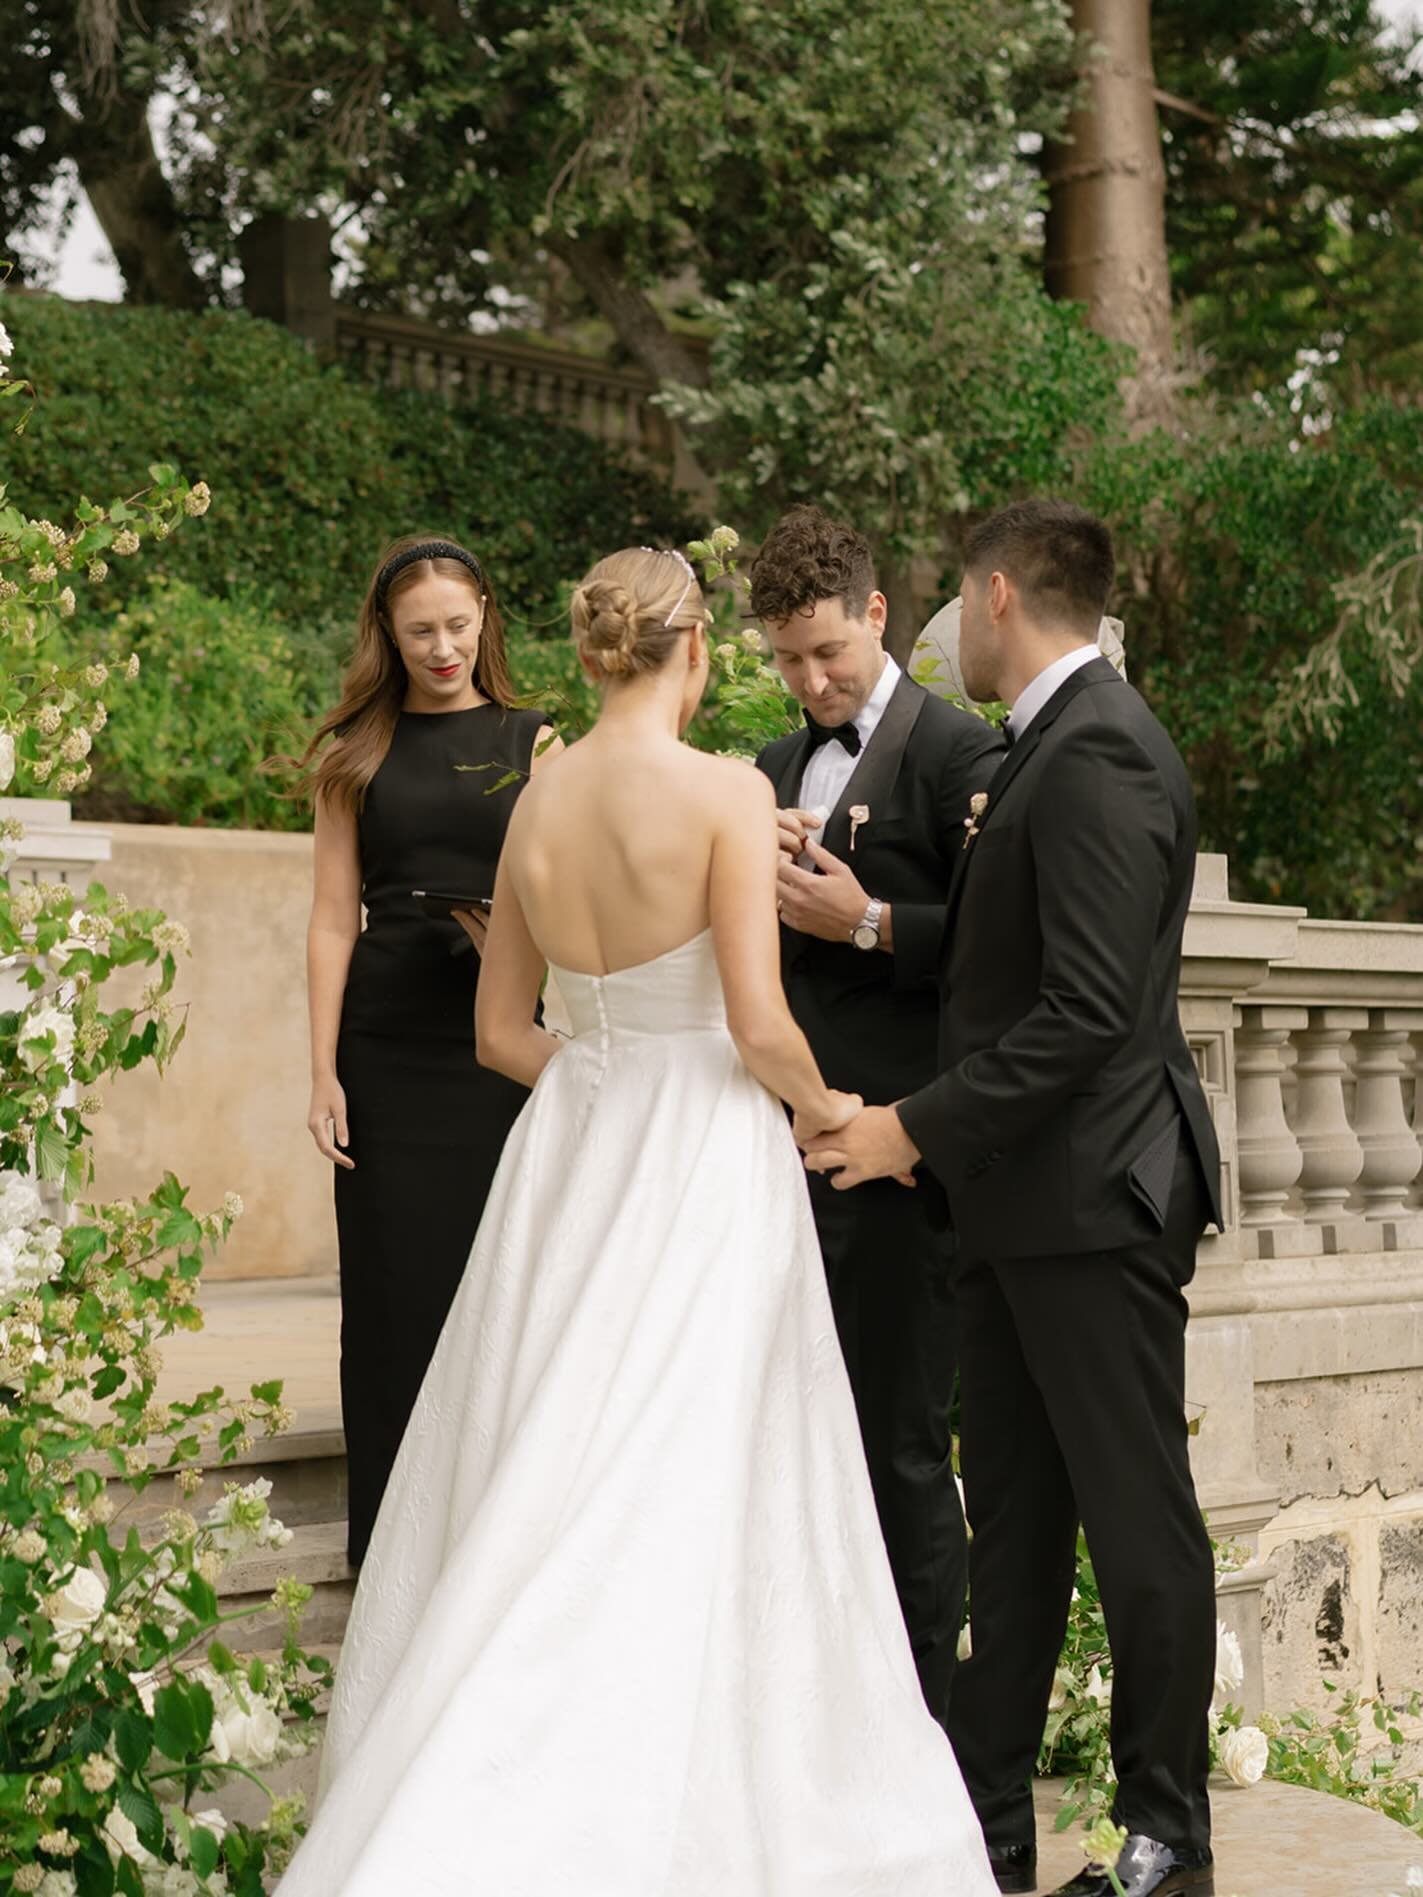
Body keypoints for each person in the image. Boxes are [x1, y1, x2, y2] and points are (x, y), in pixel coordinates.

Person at [278, 547, 997, 1897]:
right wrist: (832, 1110)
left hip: (573, 1151)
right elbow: (757, 1024)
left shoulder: (534, 804)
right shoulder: (726, 790)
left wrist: (611, 1078)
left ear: (593, 651)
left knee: (555, 1449)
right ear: (697, 648)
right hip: (702, 1153)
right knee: (699, 1458)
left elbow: (501, 1034)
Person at [805, 499, 1223, 1897]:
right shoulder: (1049, 741)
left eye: (952, 600)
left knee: (1136, 1521)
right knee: (1017, 1538)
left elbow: (1087, 1014)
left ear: (996, 595)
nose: (944, 632)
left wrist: (906, 1129)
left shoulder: (1098, 747)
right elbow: (1008, 973)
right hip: (1012, 1210)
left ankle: (1165, 1839)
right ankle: (985, 1841)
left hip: (1092, 1206)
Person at [749, 504, 1005, 1730]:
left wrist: (866, 921)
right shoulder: (760, 773)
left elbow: (1010, 950)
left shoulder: (963, 753)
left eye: (827, 653)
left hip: (900, 1162)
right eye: (786, 659)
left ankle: (923, 1734)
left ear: (876, 614)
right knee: (790, 1446)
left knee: (898, 1448)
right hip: (770, 1162)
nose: (809, 681)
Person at [297, 534, 558, 1565]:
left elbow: (578, 899)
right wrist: (321, 1069)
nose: (442, 648)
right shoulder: (354, 751)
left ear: (485, 614)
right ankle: (389, 1560)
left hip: (500, 1050)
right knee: (393, 1295)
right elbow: (332, 917)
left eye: (456, 625)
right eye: (419, 632)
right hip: (386, 1049)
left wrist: (522, 947)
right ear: (387, 634)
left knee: (498, 1293)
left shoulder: (539, 743)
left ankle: (490, 1556)